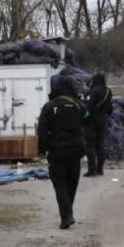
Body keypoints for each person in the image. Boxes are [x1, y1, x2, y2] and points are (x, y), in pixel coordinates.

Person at [38, 78, 86, 229]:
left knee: (60, 184)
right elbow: (87, 119)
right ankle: (68, 212)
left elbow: (42, 129)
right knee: (72, 182)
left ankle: (66, 216)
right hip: (75, 151)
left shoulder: (49, 107)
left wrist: (43, 149)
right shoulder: (79, 105)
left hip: (56, 151)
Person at [83, 73, 113, 177]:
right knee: (100, 144)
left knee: (90, 144)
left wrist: (84, 116)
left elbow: (89, 106)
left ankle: (92, 170)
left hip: (93, 119)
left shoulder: (94, 91)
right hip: (103, 119)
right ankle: (100, 169)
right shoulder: (108, 91)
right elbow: (110, 107)